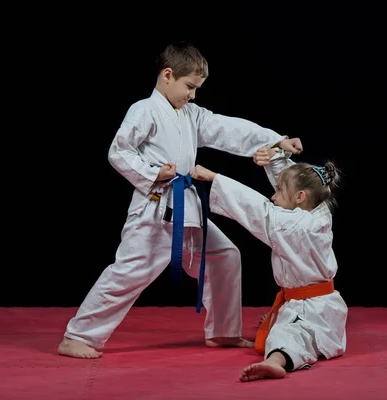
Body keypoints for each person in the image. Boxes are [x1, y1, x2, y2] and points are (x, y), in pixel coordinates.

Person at [57, 41, 304, 359]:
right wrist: (153, 173)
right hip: (157, 207)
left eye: (197, 88)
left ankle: (223, 332)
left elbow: (227, 128)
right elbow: (119, 152)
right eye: (190, 86)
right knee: (131, 270)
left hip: (186, 207)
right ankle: (78, 335)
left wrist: (274, 139)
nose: (193, 95)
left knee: (224, 256)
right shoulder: (144, 110)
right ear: (168, 75)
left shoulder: (191, 115)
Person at [189, 145, 347, 382]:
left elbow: (259, 210)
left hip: (310, 308)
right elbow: (298, 180)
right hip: (319, 305)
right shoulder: (319, 211)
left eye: (278, 192)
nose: (273, 197)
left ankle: (273, 362)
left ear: (299, 197)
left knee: (287, 335)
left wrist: (215, 178)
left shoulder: (295, 226)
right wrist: (276, 161)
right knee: (290, 329)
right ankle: (283, 332)